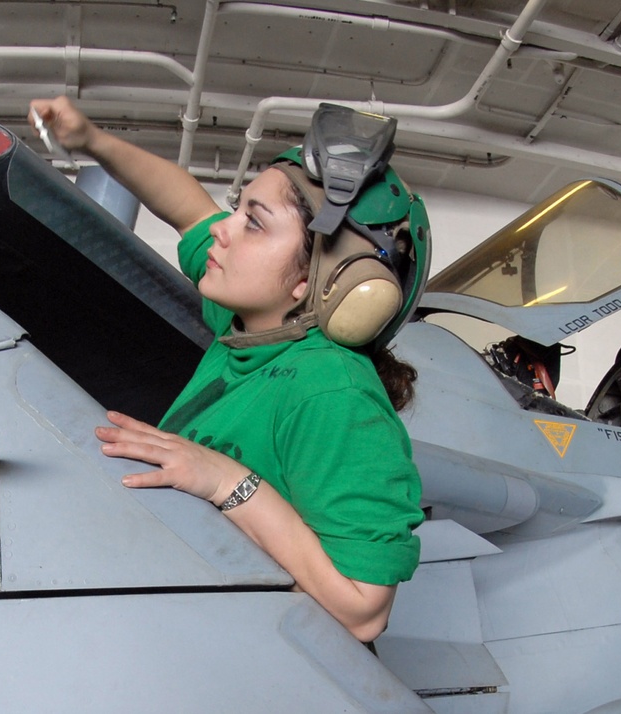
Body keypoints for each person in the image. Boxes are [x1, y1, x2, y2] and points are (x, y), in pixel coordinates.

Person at [29, 96, 425, 643]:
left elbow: (363, 612)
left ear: (315, 281)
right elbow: (190, 209)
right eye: (239, 208)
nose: (224, 229)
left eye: (253, 224)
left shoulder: (332, 393)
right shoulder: (252, 319)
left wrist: (227, 480)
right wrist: (92, 140)